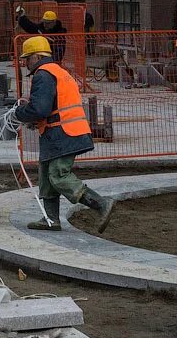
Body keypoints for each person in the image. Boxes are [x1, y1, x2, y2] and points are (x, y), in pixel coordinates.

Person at [12, 36, 115, 233]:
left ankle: (101, 204)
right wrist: (37, 120)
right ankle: (51, 219)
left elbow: (40, 109)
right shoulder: (57, 71)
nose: (25, 63)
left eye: (27, 58)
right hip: (59, 131)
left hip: (63, 133)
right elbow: (51, 107)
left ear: (36, 56)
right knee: (47, 175)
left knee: (58, 175)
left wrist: (21, 114)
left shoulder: (43, 74)